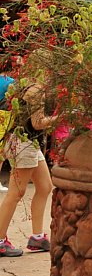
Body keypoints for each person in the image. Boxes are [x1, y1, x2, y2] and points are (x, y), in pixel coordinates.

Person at [0, 70, 57, 257]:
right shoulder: (37, 90)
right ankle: (0, 240)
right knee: (16, 193)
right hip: (24, 143)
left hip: (25, 142)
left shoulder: (25, 84)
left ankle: (37, 237)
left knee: (44, 186)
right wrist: (61, 118)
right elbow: (38, 123)